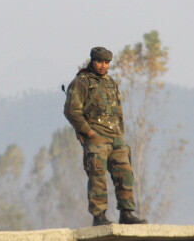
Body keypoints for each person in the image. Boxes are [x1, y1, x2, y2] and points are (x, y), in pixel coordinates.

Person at [63, 46, 148, 226]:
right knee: (98, 177)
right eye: (100, 62)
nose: (103, 66)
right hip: (96, 137)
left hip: (115, 136)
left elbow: (117, 111)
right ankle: (99, 216)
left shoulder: (110, 82)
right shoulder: (82, 81)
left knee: (125, 175)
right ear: (92, 61)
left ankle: (127, 213)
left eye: (106, 63)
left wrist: (120, 135)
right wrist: (89, 132)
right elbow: (71, 110)